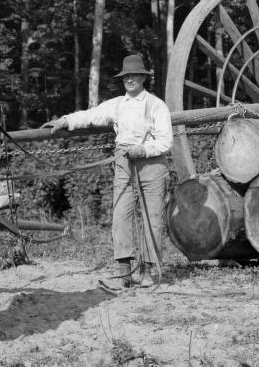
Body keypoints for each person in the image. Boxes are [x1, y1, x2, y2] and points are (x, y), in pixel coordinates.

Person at [43, 54, 172, 289]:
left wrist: (142, 150)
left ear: (143, 77)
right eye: (126, 76)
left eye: (134, 75)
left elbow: (165, 142)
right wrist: (64, 121)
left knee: (152, 219)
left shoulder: (156, 105)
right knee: (120, 216)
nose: (130, 79)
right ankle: (125, 272)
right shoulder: (117, 104)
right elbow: (91, 115)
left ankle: (147, 270)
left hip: (152, 165)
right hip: (124, 163)